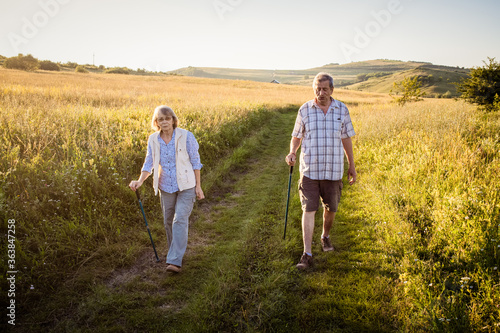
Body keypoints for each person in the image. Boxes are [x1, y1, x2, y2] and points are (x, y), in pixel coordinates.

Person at [285, 72, 356, 270]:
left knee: (331, 209)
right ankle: (306, 254)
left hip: (333, 170)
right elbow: (296, 136)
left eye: (325, 89)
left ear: (332, 90)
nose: (321, 92)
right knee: (309, 209)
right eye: (317, 88)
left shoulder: (341, 109)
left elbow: (346, 138)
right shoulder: (305, 110)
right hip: (309, 170)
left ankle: (325, 236)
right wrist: (292, 152)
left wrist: (351, 165)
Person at [129, 105, 204, 273]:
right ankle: (174, 253)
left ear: (173, 120)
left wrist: (198, 187)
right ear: (156, 122)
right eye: (160, 119)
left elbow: (195, 161)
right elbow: (149, 163)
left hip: (187, 186)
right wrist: (140, 181)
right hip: (165, 186)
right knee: (168, 222)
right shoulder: (153, 139)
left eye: (167, 118)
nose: (164, 122)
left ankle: (175, 261)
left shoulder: (186, 136)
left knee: (179, 220)